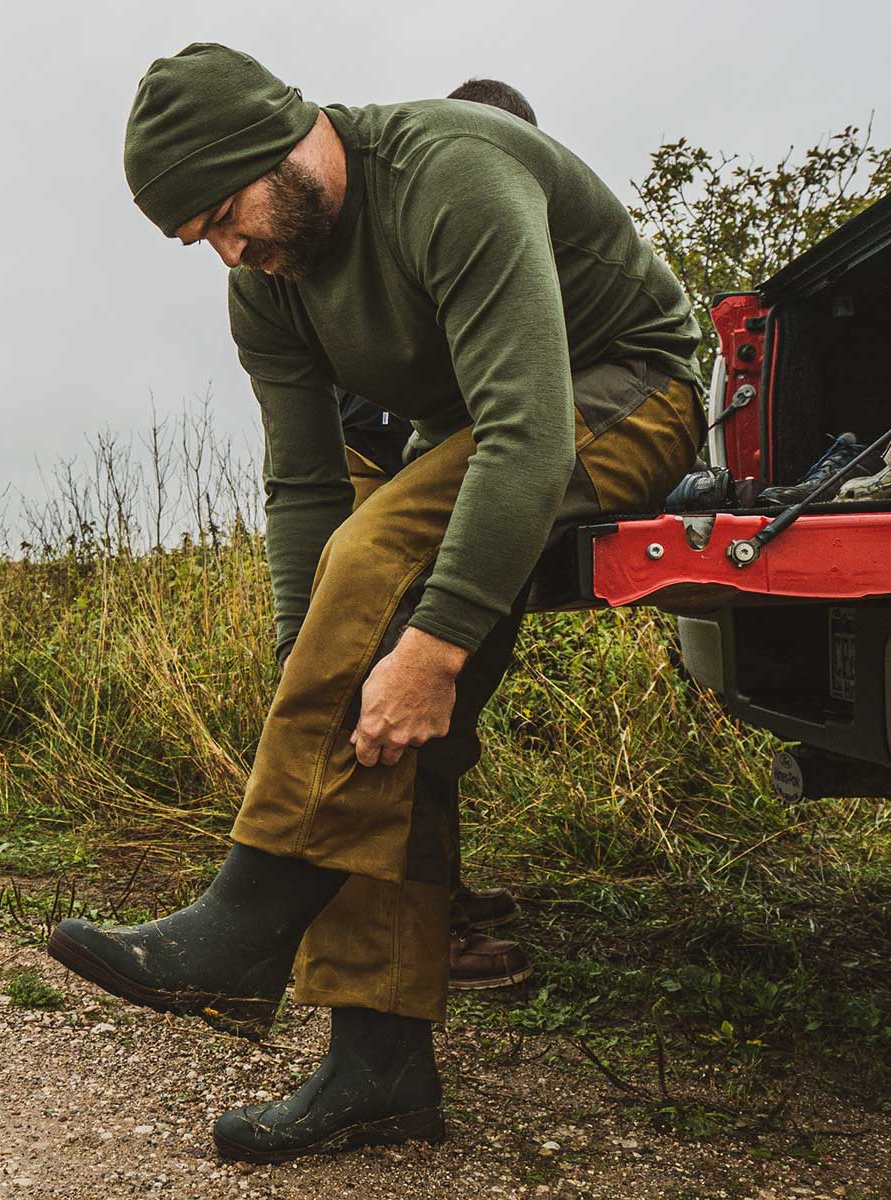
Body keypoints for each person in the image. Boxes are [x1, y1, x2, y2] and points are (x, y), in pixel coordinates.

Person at [49, 42, 703, 1163]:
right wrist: (312, 670)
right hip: (476, 438)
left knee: (379, 559)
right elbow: (304, 484)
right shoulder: (271, 283)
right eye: (199, 238)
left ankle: (247, 918)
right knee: (369, 696)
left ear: (279, 145)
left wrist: (436, 644)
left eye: (222, 215)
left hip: (626, 390)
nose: (229, 249)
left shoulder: (452, 174)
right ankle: (380, 1068)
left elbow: (530, 436)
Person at [338, 76, 539, 994]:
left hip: (439, 471)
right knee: (400, 692)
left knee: (434, 694)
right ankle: (412, 930)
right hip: (386, 478)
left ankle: (432, 900)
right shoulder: (415, 231)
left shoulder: (476, 226)